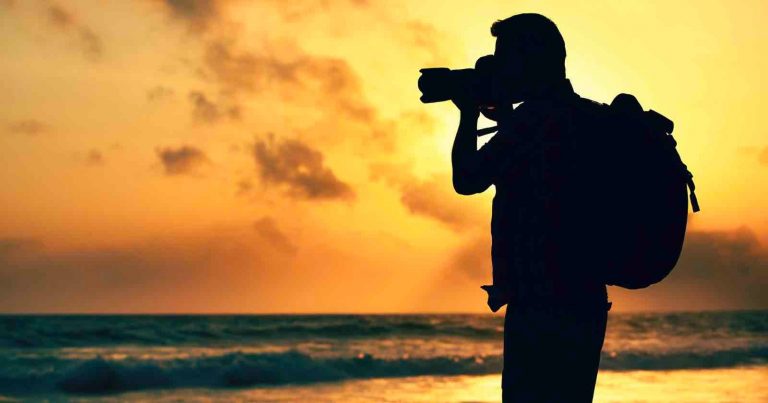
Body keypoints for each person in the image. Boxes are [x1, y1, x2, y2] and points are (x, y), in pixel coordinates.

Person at [450, 13, 612, 402]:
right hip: (584, 299)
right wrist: (506, 116)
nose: (500, 69)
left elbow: (467, 178)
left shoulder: (533, 121)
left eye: (504, 58)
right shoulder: (585, 116)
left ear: (530, 62)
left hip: (540, 304)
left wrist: (468, 112)